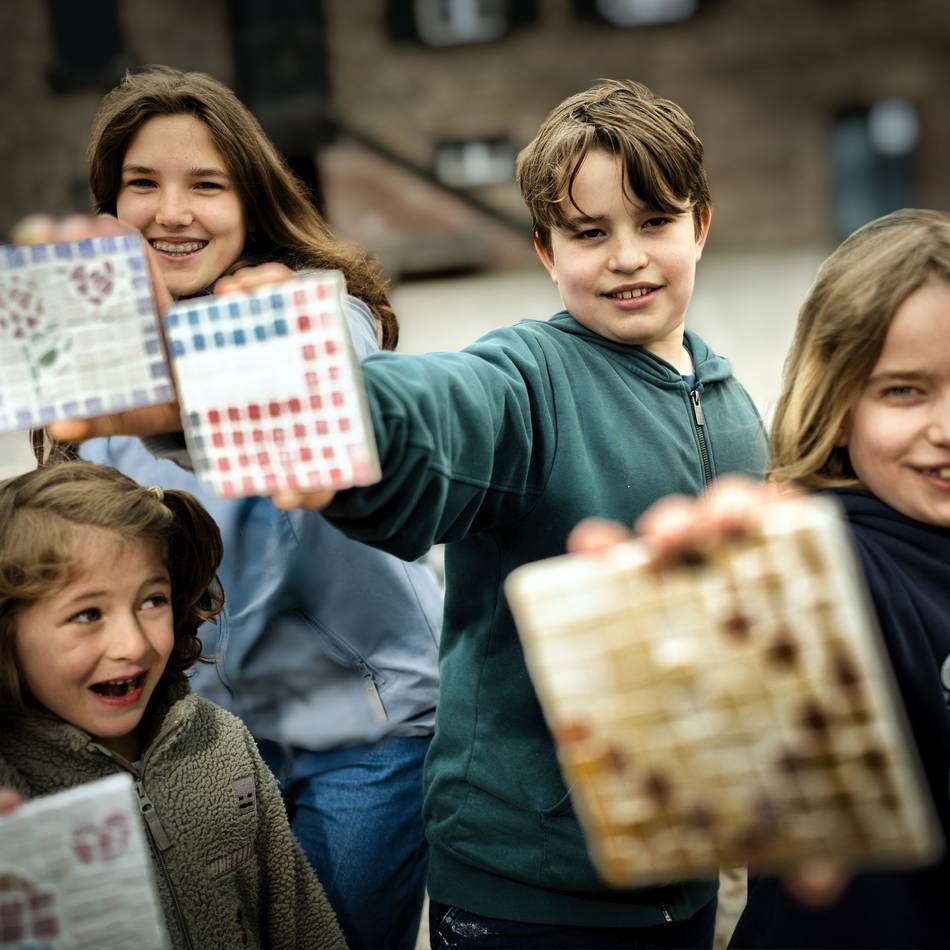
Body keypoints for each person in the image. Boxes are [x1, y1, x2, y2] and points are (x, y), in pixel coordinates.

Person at [39, 78, 769, 945]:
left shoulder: (733, 405)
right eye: (589, 232)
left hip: (676, 873)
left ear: (701, 225)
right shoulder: (527, 379)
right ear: (544, 249)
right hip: (525, 885)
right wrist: (241, 400)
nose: (627, 257)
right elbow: (425, 417)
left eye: (655, 223)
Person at [75, 65, 443, 950]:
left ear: (252, 201)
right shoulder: (92, 366)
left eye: (206, 185)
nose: (172, 212)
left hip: (367, 734)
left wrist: (186, 388)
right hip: (204, 746)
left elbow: (310, 395)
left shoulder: (316, 313)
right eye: (143, 184)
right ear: (110, 205)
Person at [572, 208, 950, 949]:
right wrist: (724, 595)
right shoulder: (834, 557)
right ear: (837, 405)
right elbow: (773, 623)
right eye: (904, 391)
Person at [0, 461, 346, 950]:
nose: (133, 645)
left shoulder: (223, 742)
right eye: (87, 614)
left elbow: (299, 919)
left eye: (152, 601)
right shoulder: (9, 786)